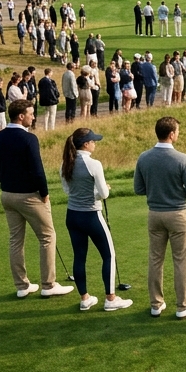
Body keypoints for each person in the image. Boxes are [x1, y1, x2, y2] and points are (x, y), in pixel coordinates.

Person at [0, 100, 72, 298]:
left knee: (15, 240)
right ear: (21, 116)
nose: (33, 117)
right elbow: (37, 170)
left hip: (7, 195)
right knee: (47, 237)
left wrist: (9, 182)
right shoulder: (29, 139)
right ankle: (48, 284)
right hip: (29, 196)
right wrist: (44, 192)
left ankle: (22, 286)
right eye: (31, 114)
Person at [133, 116, 186, 319]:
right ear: (171, 134)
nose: (178, 134)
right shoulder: (181, 159)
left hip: (154, 214)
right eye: (177, 131)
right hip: (178, 214)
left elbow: (138, 188)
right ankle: (183, 306)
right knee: (180, 261)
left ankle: (156, 304)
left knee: (155, 260)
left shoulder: (144, 157)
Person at [60, 127, 132, 312]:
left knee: (79, 257)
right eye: (93, 141)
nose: (94, 144)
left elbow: (68, 191)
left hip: (72, 216)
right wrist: (103, 188)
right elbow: (103, 193)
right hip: (91, 216)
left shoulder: (65, 163)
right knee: (109, 255)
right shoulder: (94, 164)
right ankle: (110, 299)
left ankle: (85, 299)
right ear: (85, 144)